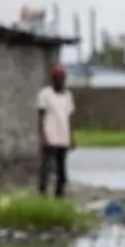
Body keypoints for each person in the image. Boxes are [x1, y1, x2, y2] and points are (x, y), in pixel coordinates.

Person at [37, 65, 74, 197]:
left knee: (61, 167)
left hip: (63, 136)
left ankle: (60, 192)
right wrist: (43, 136)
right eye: (57, 78)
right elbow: (41, 116)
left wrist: (71, 137)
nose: (60, 81)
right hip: (50, 136)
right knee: (46, 166)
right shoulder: (45, 94)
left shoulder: (68, 96)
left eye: (62, 78)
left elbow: (69, 118)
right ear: (53, 79)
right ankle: (42, 191)